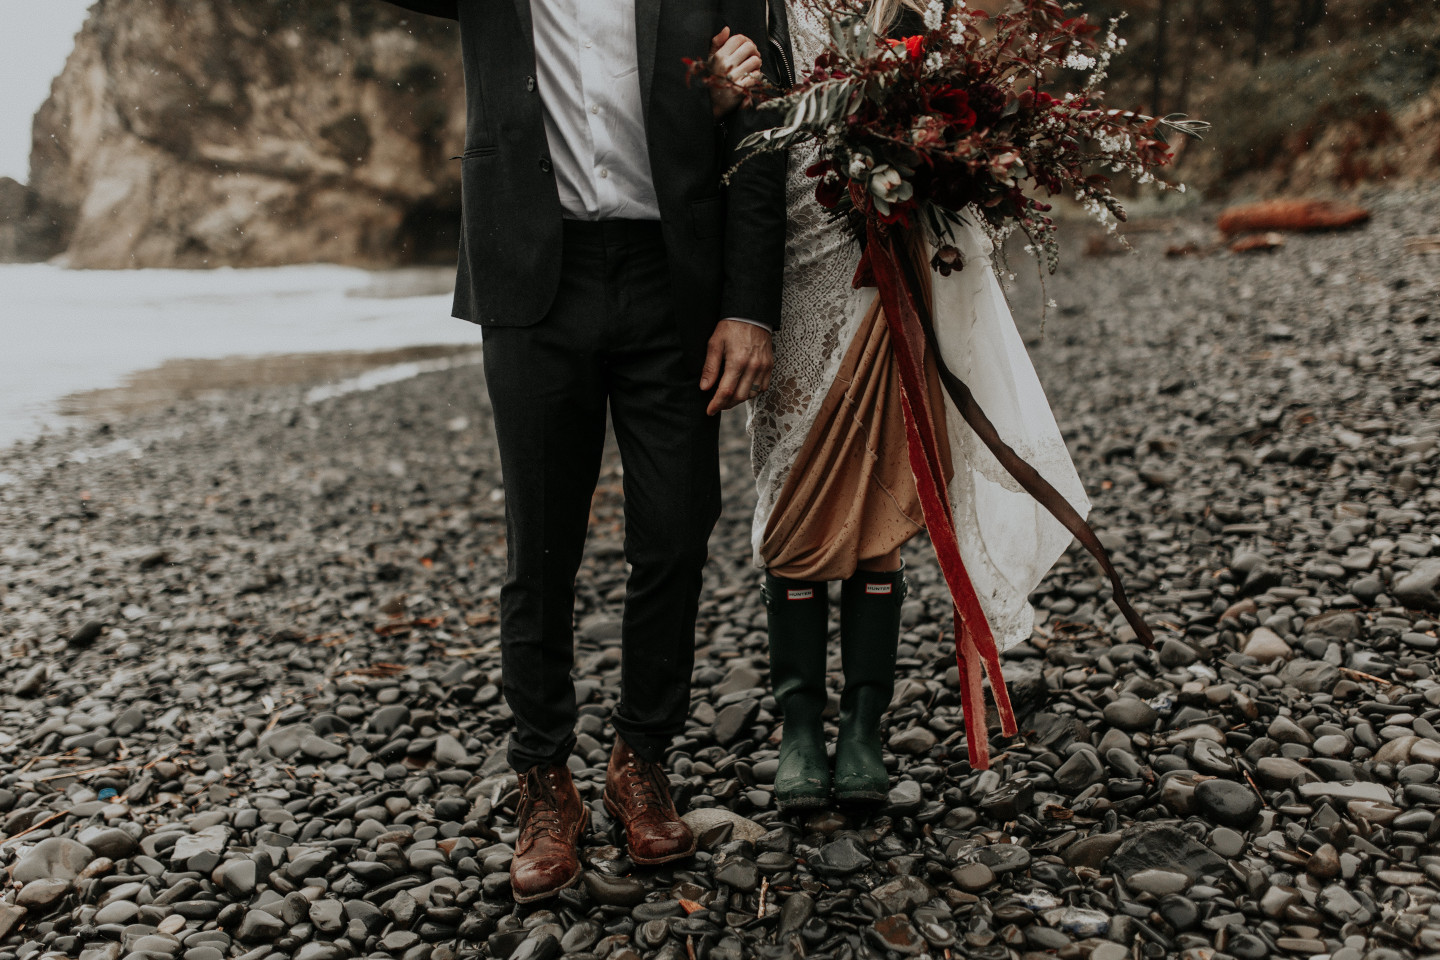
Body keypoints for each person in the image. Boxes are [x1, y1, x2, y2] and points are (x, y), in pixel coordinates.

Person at [378, 0, 786, 902]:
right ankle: (544, 780)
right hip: (532, 273)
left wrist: (751, 306)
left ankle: (641, 757)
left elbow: (764, 131)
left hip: (670, 273)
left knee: (678, 532)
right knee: (543, 544)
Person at [714, 0, 1093, 810]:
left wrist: (947, 155)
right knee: (789, 491)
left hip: (885, 260)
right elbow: (732, 134)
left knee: (886, 487)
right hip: (786, 263)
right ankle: (800, 729)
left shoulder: (909, 6)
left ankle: (861, 728)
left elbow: (955, 113)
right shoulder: (755, 4)